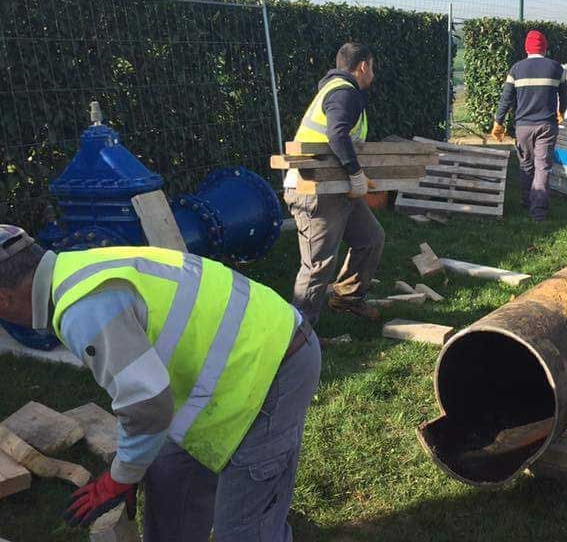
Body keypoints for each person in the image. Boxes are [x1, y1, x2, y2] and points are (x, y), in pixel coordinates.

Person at [0, 224, 321, 541]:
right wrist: (130, 467)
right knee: (169, 483)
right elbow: (145, 395)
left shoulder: (83, 310)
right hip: (225, 365)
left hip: (273, 363)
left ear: (3, 299)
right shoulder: (76, 269)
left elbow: (146, 405)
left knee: (243, 532)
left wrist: (119, 479)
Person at [284, 42, 385, 322]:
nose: (373, 75)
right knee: (317, 266)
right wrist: (356, 175)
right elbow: (337, 134)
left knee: (370, 238)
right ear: (363, 66)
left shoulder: (338, 90)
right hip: (314, 190)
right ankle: (298, 336)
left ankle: (348, 298)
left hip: (335, 189)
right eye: (372, 68)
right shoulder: (345, 93)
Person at [491, 30, 567, 221]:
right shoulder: (556, 68)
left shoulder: (516, 69)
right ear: (545, 47)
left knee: (526, 164)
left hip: (523, 126)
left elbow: (506, 99)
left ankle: (527, 201)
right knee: (542, 167)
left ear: (526, 47)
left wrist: (498, 122)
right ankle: (539, 211)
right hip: (546, 125)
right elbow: (564, 95)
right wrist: (561, 112)